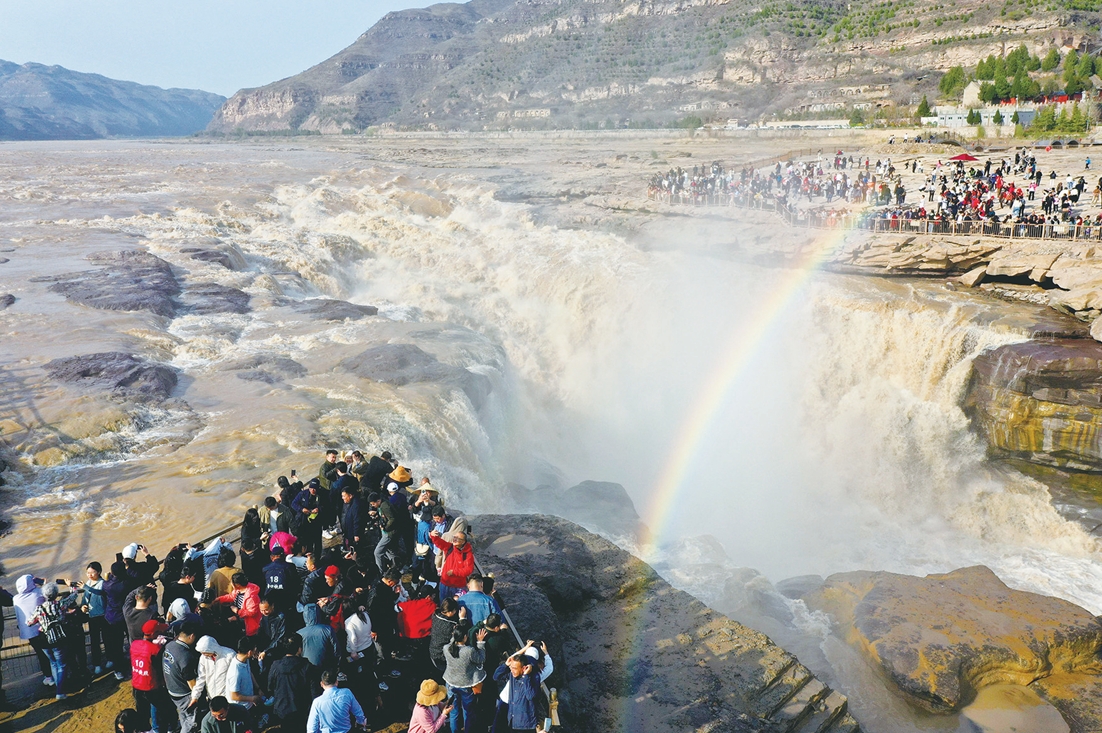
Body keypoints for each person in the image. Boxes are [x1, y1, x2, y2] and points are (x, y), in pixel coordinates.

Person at [28, 581, 77, 699]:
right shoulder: (61, 604)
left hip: (44, 639)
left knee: (53, 663)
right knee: (62, 665)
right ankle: (60, 691)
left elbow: (29, 623)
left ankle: (57, 686)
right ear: (56, 594)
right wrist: (71, 585)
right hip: (58, 638)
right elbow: (74, 595)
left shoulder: (39, 609)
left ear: (44, 595)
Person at [130, 619, 174, 733]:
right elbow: (160, 669)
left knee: (142, 713)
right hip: (152, 687)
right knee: (161, 713)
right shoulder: (156, 650)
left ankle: (144, 730)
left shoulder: (134, 644)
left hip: (137, 686)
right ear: (154, 634)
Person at [442, 626, 488, 733]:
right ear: (465, 637)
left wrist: (455, 634)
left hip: (450, 683)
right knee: (468, 712)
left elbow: (451, 643)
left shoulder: (446, 648)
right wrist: (480, 643)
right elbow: (481, 659)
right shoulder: (469, 651)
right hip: (465, 685)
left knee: (453, 711)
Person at [267, 634, 317, 731]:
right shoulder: (307, 667)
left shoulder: (275, 665)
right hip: (301, 710)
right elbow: (314, 692)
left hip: (281, 710)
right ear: (299, 649)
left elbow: (270, 687)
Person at [491, 646, 543, 733]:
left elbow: (530, 696)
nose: (512, 670)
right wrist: (505, 665)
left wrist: (525, 677)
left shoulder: (534, 677)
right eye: (511, 668)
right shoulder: (512, 674)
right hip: (513, 719)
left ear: (523, 668)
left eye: (514, 668)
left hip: (526, 723)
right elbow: (496, 677)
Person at [164, 620, 203, 733]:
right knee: (191, 721)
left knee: (182, 714)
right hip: (184, 694)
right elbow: (192, 685)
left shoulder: (170, 645)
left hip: (172, 689)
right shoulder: (186, 656)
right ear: (191, 636)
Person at [306, 668, 366, 733]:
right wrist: (361, 721)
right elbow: (358, 711)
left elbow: (311, 728)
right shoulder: (346, 693)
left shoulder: (317, 702)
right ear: (337, 682)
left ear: (321, 684)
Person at [80, 562, 108, 676]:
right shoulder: (87, 583)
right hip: (92, 617)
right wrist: (83, 607)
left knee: (107, 639)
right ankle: (97, 664)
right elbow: (85, 598)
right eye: (88, 573)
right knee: (94, 642)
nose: (90, 575)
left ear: (99, 572)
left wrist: (86, 587)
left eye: (92, 572)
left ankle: (110, 659)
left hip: (103, 615)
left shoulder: (103, 583)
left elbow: (100, 593)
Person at [431, 529, 476, 599]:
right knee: (444, 605)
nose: (455, 539)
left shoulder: (467, 554)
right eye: (454, 537)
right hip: (444, 583)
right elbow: (440, 543)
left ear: (463, 542)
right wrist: (434, 536)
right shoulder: (450, 547)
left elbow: (468, 570)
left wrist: (454, 572)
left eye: (457, 538)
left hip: (458, 586)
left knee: (459, 605)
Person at [213, 572, 262, 637]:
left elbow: (252, 613)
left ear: (238, 584)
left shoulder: (251, 597)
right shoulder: (239, 589)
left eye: (232, 582)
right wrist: (219, 599)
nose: (231, 584)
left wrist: (237, 611)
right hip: (239, 619)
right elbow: (232, 596)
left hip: (248, 623)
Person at [192, 635, 236, 706]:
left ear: (211, 648)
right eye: (202, 653)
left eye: (205, 652)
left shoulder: (230, 655)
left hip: (227, 698)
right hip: (212, 697)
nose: (203, 655)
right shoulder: (203, 658)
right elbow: (201, 678)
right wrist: (195, 697)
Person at [226, 636, 264, 710]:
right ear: (249, 652)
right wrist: (252, 698)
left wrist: (258, 688)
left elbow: (249, 672)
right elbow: (234, 696)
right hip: (240, 709)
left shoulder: (245, 660)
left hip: (248, 704)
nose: (255, 651)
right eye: (254, 649)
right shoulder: (235, 672)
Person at [299, 603, 339, 670]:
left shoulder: (299, 633)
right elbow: (336, 648)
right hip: (325, 665)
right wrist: (336, 664)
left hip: (307, 668)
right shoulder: (328, 629)